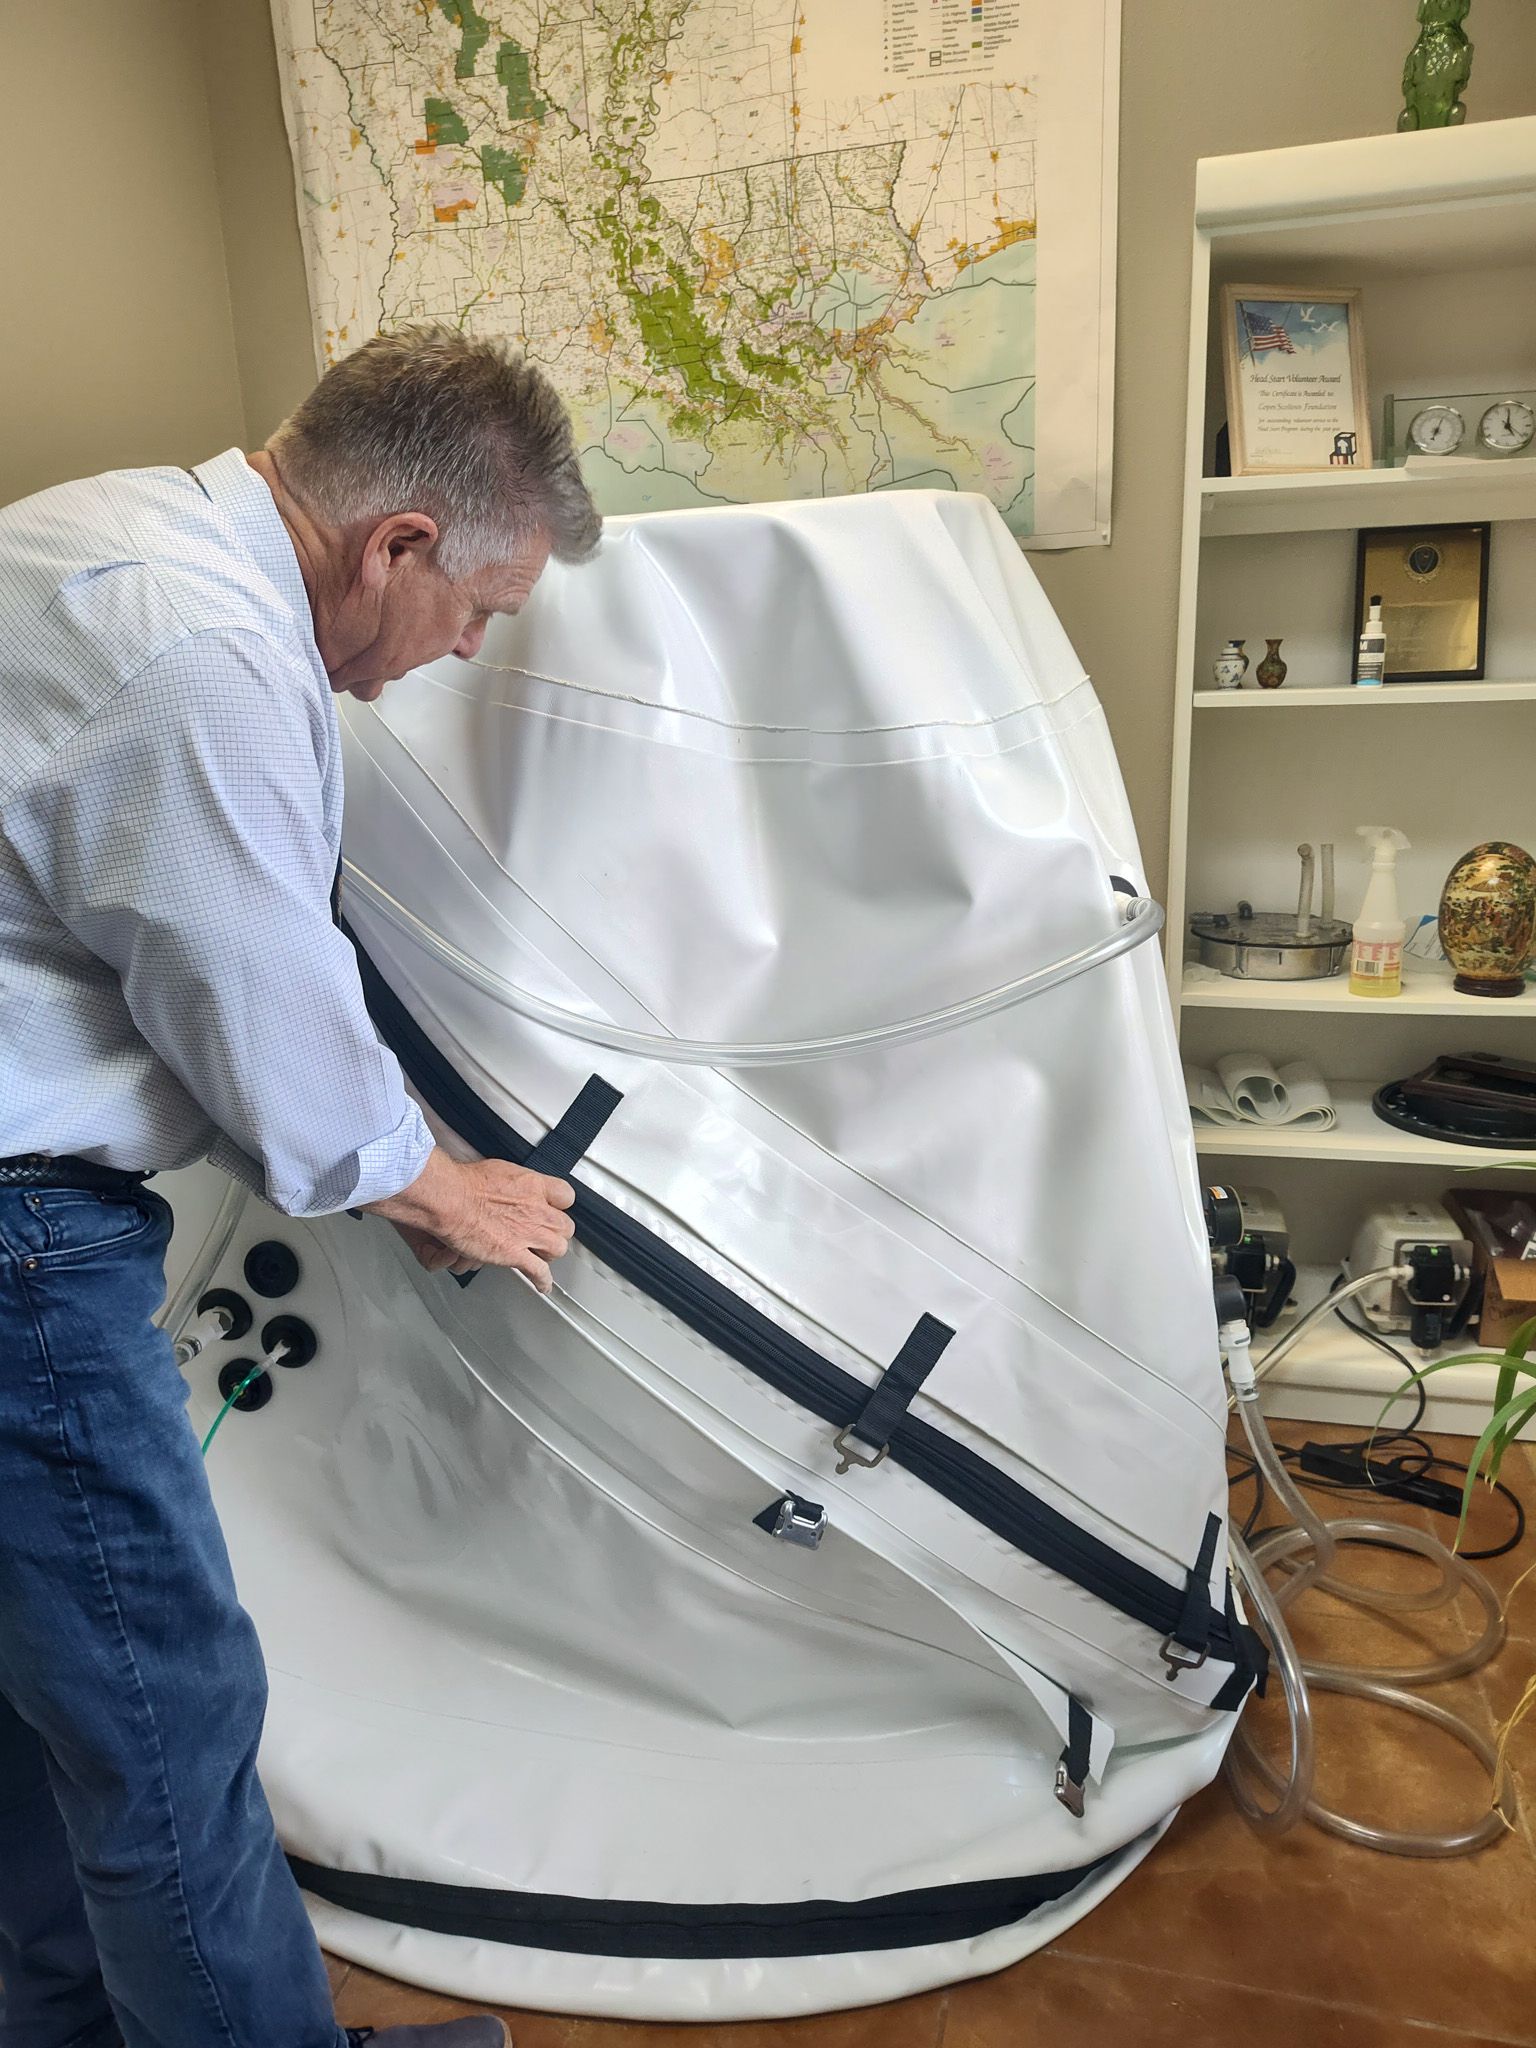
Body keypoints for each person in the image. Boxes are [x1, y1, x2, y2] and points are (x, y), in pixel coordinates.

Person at [0, 325, 603, 2048]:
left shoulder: (111, 531)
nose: (464, 647)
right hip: (16, 1245)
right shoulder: (193, 652)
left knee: (35, 1706)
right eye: (476, 609)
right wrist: (447, 1186)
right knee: (162, 1714)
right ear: (396, 544)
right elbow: (259, 1007)